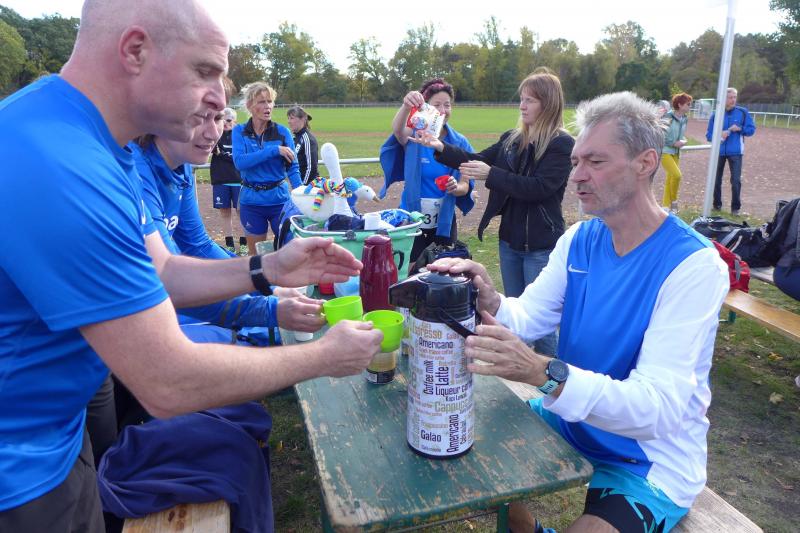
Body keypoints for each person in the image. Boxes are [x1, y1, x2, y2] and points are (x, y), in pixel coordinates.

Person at [0, 2, 382, 531]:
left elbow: (162, 272)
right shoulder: (61, 164)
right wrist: (322, 356)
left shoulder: (93, 141)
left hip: (54, 438)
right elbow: (168, 382)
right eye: (205, 71)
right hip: (19, 471)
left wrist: (267, 268)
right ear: (135, 50)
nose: (221, 98)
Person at [428, 91, 729, 533]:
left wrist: (542, 372)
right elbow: (528, 317)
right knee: (463, 435)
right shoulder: (579, 240)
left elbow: (657, 409)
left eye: (595, 162)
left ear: (646, 163)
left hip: (648, 454)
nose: (577, 176)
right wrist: (491, 300)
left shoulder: (694, 265)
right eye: (575, 162)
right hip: (573, 419)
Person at [411, 70, 573, 357]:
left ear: (548, 104)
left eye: (530, 100)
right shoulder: (512, 139)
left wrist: (492, 174)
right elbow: (474, 159)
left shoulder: (561, 144)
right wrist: (439, 146)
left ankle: (548, 375)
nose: (522, 106)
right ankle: (519, 369)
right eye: (522, 99)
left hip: (540, 245)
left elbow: (539, 188)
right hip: (509, 241)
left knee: (541, 323)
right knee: (513, 313)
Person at [379, 77, 475, 264]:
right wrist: (406, 105)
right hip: (411, 218)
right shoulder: (414, 137)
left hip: (444, 222)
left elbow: (465, 185)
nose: (443, 110)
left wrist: (455, 187)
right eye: (436, 105)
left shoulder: (460, 142)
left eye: (447, 105)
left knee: (443, 270)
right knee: (410, 269)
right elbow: (398, 131)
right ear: (426, 108)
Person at [232, 82, 301, 255]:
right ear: (250, 105)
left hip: (280, 202)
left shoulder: (283, 132)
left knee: (289, 252)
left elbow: (293, 168)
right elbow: (240, 162)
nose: (267, 106)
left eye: (270, 101)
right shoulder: (239, 131)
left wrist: (301, 196)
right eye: (262, 102)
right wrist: (273, 150)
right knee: (256, 255)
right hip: (251, 203)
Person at [705, 87, 756, 215]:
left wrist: (740, 129)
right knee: (716, 179)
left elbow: (751, 130)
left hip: (736, 152)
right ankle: (717, 205)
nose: (733, 100)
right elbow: (709, 136)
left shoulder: (742, 112)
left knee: (735, 180)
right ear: (724, 99)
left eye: (734, 97)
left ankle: (735, 208)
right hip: (718, 152)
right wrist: (719, 135)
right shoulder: (716, 115)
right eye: (730, 97)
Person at [211, 107, 247, 254]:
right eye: (222, 120)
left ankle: (244, 243)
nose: (225, 123)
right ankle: (229, 244)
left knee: (241, 212)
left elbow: (238, 158)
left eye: (228, 120)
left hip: (238, 180)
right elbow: (212, 150)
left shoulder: (240, 136)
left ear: (235, 121)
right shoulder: (215, 134)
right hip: (221, 179)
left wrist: (222, 154)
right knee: (225, 213)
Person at [661, 92, 692, 212]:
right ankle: (674, 201)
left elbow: (681, 135)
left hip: (677, 152)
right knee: (677, 175)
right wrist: (673, 143)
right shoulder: (667, 116)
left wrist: (683, 140)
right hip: (665, 151)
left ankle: (665, 206)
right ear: (680, 105)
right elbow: (661, 134)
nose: (690, 106)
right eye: (688, 104)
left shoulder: (685, 119)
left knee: (670, 179)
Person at [286, 105, 319, 186]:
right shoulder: (295, 138)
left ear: (303, 119)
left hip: (308, 188)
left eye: (292, 118)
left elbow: (311, 168)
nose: (289, 121)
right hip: (297, 186)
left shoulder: (307, 139)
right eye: (288, 118)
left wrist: (302, 188)